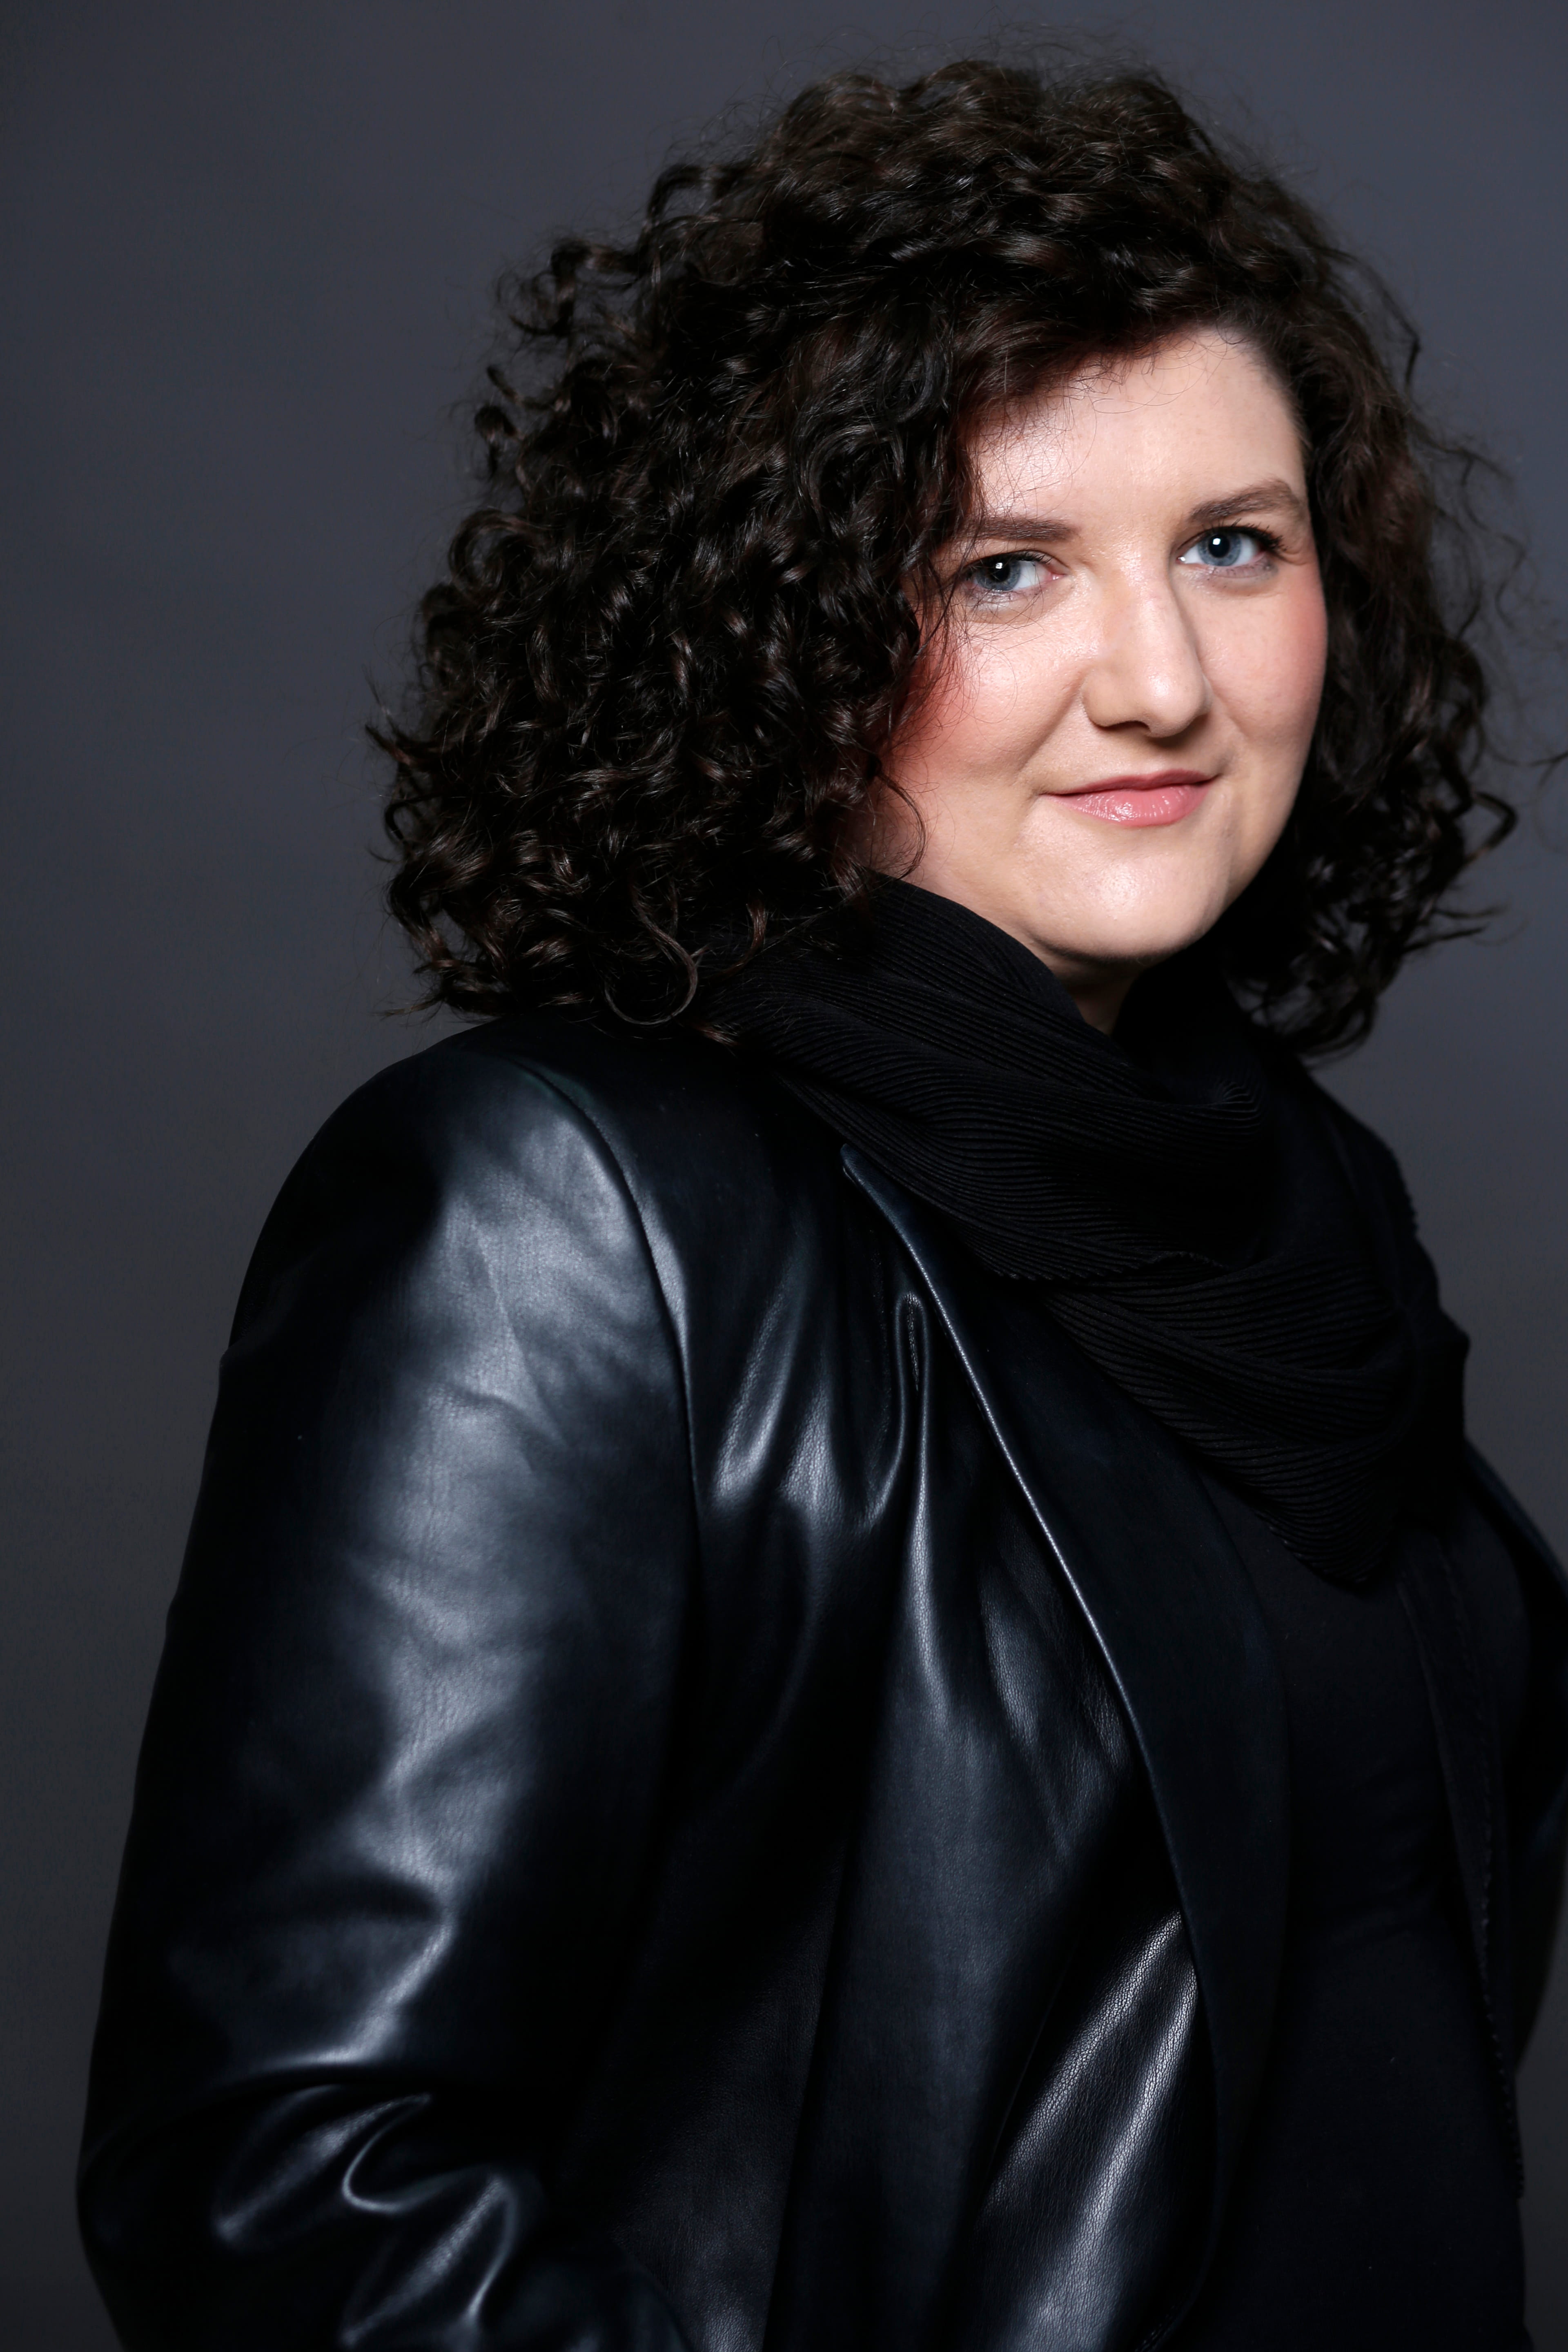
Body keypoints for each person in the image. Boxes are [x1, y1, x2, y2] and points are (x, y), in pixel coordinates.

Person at [79, 58, 1568, 2352]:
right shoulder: (563, 1214)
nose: (1161, 681)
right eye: (1006, 568)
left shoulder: (1305, 1220)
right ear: (778, 626)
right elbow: (288, 2195)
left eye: (1233, 545)